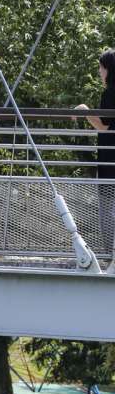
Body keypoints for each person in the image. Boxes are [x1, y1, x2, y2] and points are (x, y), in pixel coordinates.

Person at [75, 48, 115, 269]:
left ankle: (111, 253)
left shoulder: (111, 92)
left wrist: (84, 110)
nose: (99, 72)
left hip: (111, 157)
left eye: (101, 67)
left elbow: (103, 125)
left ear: (109, 69)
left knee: (107, 206)